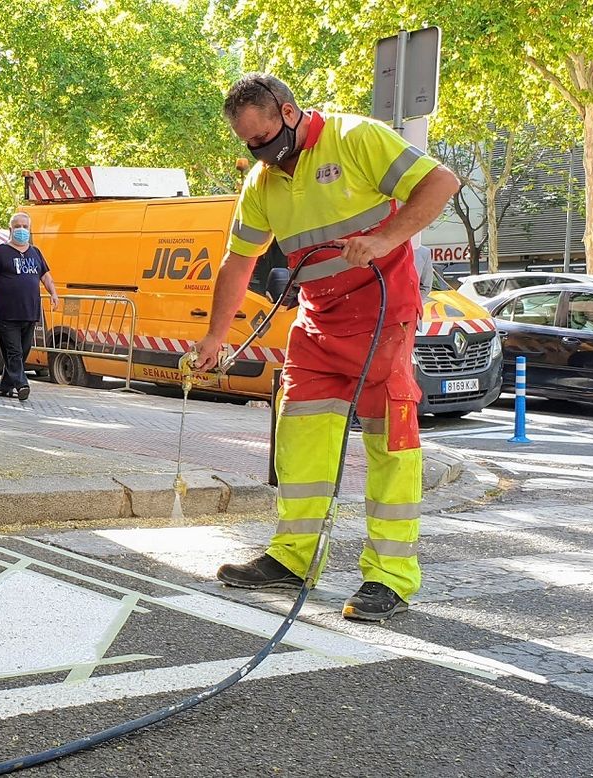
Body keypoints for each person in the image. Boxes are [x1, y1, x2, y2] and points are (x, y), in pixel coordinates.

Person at [193, 73, 461, 622]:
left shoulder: (356, 138)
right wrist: (214, 339)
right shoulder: (263, 183)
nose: (260, 152)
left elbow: (441, 183)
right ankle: (293, 558)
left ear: (289, 114)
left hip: (384, 313)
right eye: (248, 145)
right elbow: (239, 263)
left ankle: (389, 576)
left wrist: (386, 239)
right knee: (300, 437)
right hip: (318, 317)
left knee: (391, 439)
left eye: (264, 138)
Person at [0, 212, 59, 401]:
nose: (21, 230)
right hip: (6, 312)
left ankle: (5, 385)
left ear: (30, 229)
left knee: (23, 351)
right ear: (11, 229)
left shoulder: (35, 252)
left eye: (25, 226)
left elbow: (46, 277)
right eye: (18, 226)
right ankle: (21, 384)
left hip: (29, 311)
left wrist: (54, 293)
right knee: (14, 351)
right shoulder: (0, 252)